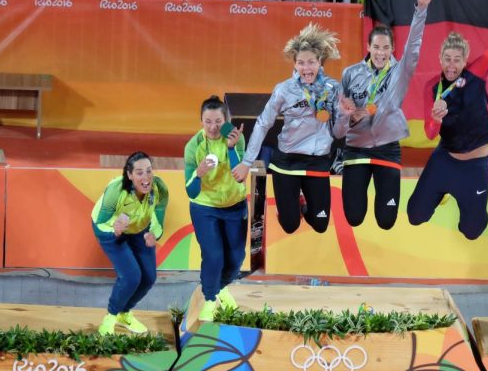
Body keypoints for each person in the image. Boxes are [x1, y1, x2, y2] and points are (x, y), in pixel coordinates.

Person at [405, 0, 488, 241]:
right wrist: (436, 119)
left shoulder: (477, 72)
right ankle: (441, 191)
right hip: (445, 159)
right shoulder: (431, 88)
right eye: (447, 58)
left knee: (472, 231)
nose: (452, 64)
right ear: (440, 59)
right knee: (414, 215)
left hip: (475, 165)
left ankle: (472, 207)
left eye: (457, 59)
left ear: (465, 59)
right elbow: (431, 134)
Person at [333, 0, 431, 229]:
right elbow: (338, 124)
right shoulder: (350, 74)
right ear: (368, 46)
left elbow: (414, 46)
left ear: (391, 49)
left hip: (387, 148)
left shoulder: (401, 71)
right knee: (354, 217)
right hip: (356, 149)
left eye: (385, 48)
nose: (380, 53)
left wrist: (420, 9)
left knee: (386, 221)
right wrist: (347, 116)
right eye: (376, 47)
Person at [232, 23, 341, 235]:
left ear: (320, 62)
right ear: (295, 64)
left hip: (317, 160)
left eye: (311, 62)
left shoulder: (333, 88)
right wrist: (246, 162)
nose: (306, 68)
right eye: (301, 63)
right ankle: (290, 211)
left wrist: (346, 114)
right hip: (287, 162)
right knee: (290, 226)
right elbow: (264, 124)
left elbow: (340, 128)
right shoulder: (284, 89)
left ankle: (302, 204)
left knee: (320, 225)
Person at [184, 95, 248, 322]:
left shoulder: (236, 137)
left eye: (218, 121)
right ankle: (210, 299)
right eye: (208, 121)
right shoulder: (193, 147)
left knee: (236, 259)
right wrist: (198, 174)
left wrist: (231, 148)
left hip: (234, 205)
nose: (213, 127)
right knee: (214, 255)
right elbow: (191, 191)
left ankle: (219, 288)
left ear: (226, 119)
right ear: (201, 121)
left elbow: (239, 177)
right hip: (205, 207)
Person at [92, 151, 169, 335]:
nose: (146, 178)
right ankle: (110, 318)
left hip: (139, 229)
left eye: (149, 171)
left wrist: (154, 235)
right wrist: (115, 231)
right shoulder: (116, 191)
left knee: (149, 277)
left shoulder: (159, 189)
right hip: (109, 230)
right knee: (131, 276)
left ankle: (124, 313)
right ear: (129, 174)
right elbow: (100, 222)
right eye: (140, 173)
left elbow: (158, 219)